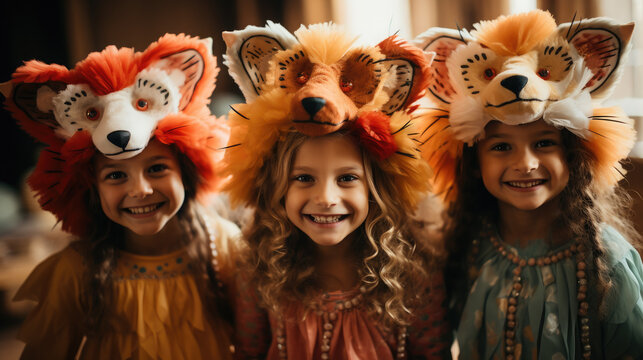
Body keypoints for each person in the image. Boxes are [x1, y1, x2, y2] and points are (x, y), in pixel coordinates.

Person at [414, 10, 643, 359]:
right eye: (502, 147)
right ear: (475, 163)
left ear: (573, 156)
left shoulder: (608, 262)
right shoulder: (467, 245)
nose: (525, 164)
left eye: (544, 143)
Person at [221, 22, 450, 359]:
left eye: (346, 179)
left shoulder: (415, 272)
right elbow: (248, 352)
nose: (326, 198)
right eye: (303, 179)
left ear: (377, 189)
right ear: (276, 188)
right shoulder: (257, 268)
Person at [2, 34, 239, 359]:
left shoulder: (225, 247)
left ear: (187, 172)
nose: (140, 190)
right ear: (92, 188)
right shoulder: (76, 271)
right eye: (115, 175)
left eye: (157, 169)